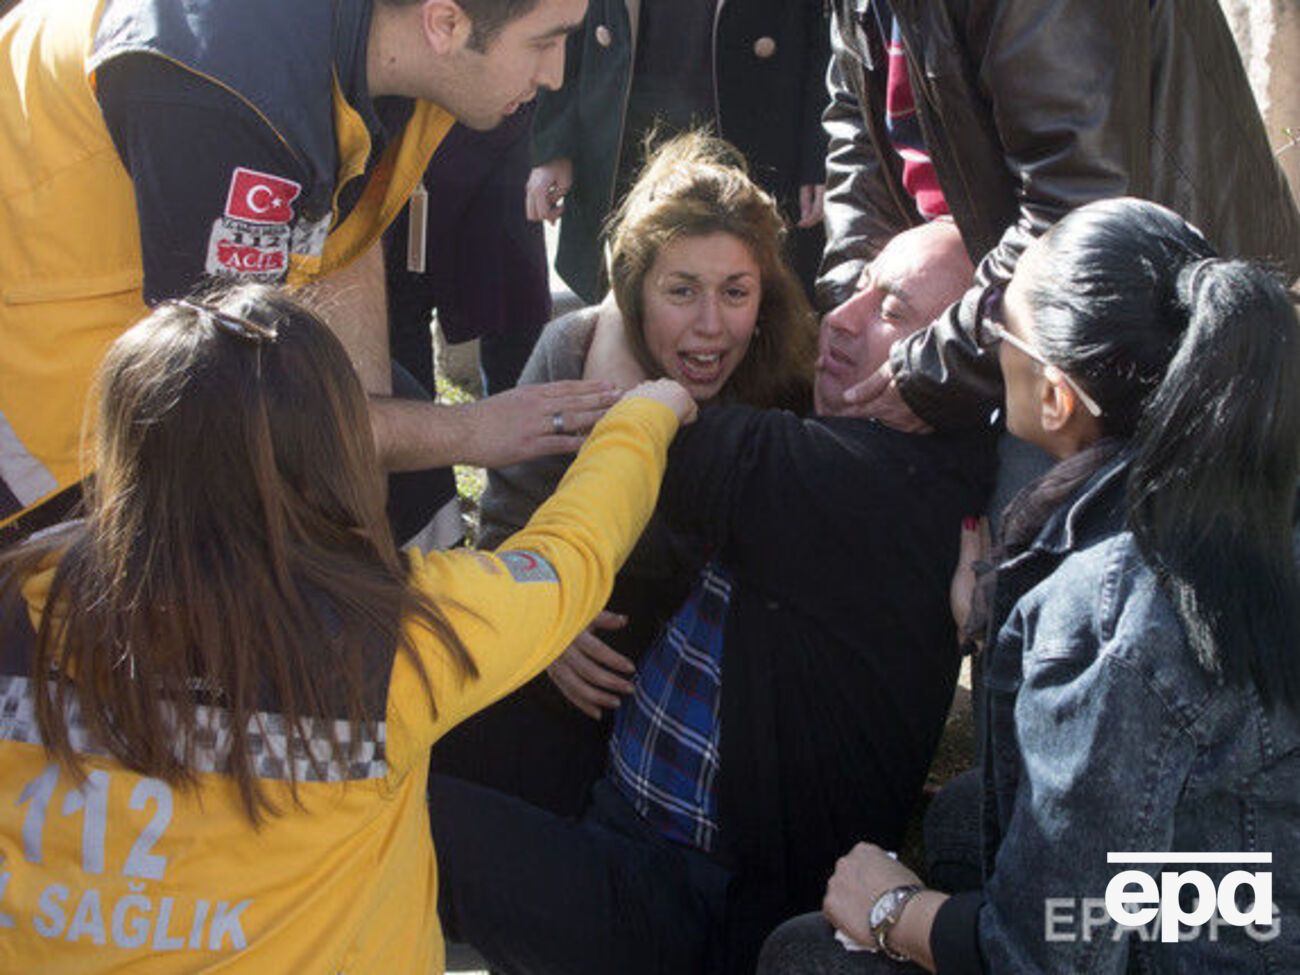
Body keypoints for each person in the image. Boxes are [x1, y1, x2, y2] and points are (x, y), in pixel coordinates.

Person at [0, 284, 695, 974]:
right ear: (331, 449)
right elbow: (567, 560)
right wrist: (645, 417)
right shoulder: (394, 630)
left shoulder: (16, 601)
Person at [431, 217, 996, 975]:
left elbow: (649, 425)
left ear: (963, 365)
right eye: (858, 288)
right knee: (391, 720)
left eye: (893, 313)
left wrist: (628, 316)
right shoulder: (862, 439)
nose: (843, 320)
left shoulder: (867, 483)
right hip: (616, 789)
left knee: (386, 815)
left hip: (686, 903)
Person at [757, 198, 1300, 974]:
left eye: (996, 331)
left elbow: (1047, 952)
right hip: (1252, 882)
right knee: (957, 822)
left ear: (1054, 396)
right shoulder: (1250, 481)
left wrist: (896, 911)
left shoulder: (1116, 610)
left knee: (804, 951)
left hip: (1219, 938)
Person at [0, 0, 609, 546]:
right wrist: (473, 430)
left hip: (171, 326)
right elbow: (222, 407)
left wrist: (374, 508)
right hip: (43, 384)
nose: (555, 74)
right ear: (445, 22)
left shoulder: (399, 49)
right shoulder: (228, 84)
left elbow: (345, 239)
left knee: (407, 499)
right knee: (161, 606)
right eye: (545, 41)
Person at [433, 131, 816, 816]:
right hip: (571, 640)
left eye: (736, 292)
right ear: (636, 291)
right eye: (681, 290)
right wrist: (544, 627)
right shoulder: (572, 348)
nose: (709, 326)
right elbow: (505, 523)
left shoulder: (786, 382)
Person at [817, 0, 1300, 506]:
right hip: (988, 315)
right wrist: (852, 305)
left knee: (1045, 564)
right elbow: (856, 137)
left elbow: (1075, 203)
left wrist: (935, 370)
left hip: (1138, 337)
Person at [524, 0, 831, 301]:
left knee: (752, 300)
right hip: (625, 150)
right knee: (631, 305)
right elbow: (566, 25)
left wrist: (818, 152)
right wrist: (555, 148)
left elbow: (826, 36)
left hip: (751, 144)